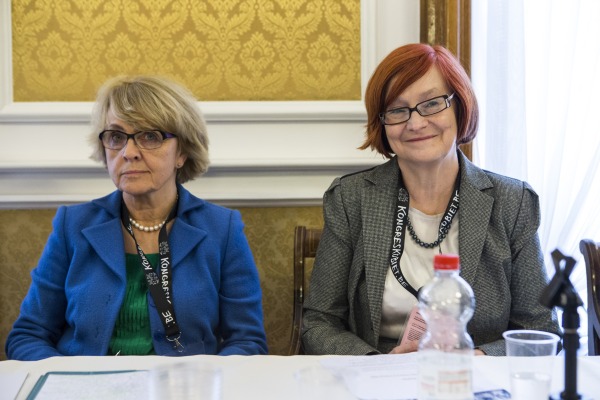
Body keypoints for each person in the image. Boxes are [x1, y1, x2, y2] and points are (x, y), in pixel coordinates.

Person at [301, 43, 560, 356]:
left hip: (475, 377)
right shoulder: (350, 199)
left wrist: (477, 358)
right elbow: (318, 322)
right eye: (397, 110)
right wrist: (377, 364)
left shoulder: (512, 202)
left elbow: (540, 331)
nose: (415, 123)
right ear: (382, 123)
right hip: (378, 374)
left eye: (432, 103)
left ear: (460, 106)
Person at [6, 75, 268, 360]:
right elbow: (28, 335)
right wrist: (70, 379)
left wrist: (202, 380)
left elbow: (247, 341)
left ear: (181, 153)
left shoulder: (222, 230)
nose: (129, 153)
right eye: (116, 137)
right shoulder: (72, 225)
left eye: (150, 136)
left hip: (184, 383)